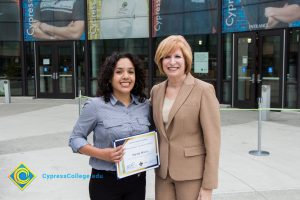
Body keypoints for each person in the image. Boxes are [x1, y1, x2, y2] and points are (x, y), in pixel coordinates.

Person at [69, 52, 151, 200]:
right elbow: (75, 139)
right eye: (119, 72)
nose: (126, 76)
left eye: (130, 72)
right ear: (109, 77)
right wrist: (102, 154)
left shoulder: (145, 105)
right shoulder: (95, 106)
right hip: (105, 181)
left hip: (137, 181)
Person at [150, 35, 221, 200]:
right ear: (160, 61)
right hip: (163, 173)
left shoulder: (203, 90)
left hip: (191, 173)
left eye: (177, 56)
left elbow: (213, 142)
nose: (172, 62)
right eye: (166, 57)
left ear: (186, 60)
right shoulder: (156, 91)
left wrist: (208, 186)